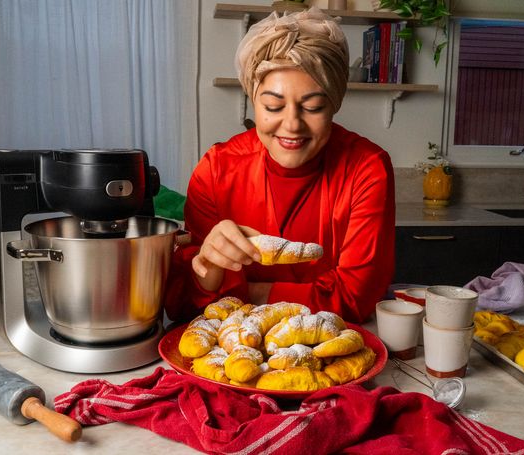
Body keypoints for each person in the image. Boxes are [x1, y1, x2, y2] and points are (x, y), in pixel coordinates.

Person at [165, 8, 395, 324]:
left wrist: (248, 293)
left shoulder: (367, 169)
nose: (292, 124)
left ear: (334, 104)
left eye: (313, 107)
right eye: (273, 106)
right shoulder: (216, 171)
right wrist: (209, 270)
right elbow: (183, 307)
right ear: (253, 101)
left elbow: (355, 298)